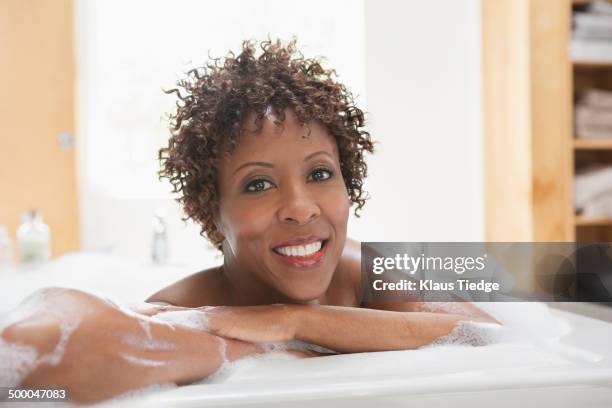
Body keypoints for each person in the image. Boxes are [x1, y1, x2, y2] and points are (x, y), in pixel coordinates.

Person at [0, 39, 497, 403]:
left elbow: (488, 338)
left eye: (320, 173)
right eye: (258, 184)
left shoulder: (366, 270)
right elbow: (29, 379)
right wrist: (243, 348)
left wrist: (297, 321)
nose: (301, 207)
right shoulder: (185, 308)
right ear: (210, 211)